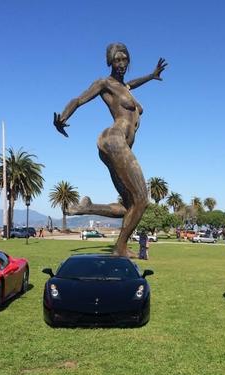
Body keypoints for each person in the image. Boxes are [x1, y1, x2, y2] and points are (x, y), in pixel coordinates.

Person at [54, 43, 167, 257]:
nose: (122, 64)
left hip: (115, 146)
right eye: (117, 60)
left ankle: (87, 207)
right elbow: (79, 99)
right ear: (110, 61)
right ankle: (120, 248)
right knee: (142, 200)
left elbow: (131, 84)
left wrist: (152, 76)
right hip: (114, 140)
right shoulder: (104, 83)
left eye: (125, 59)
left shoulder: (125, 88)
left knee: (129, 206)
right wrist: (63, 117)